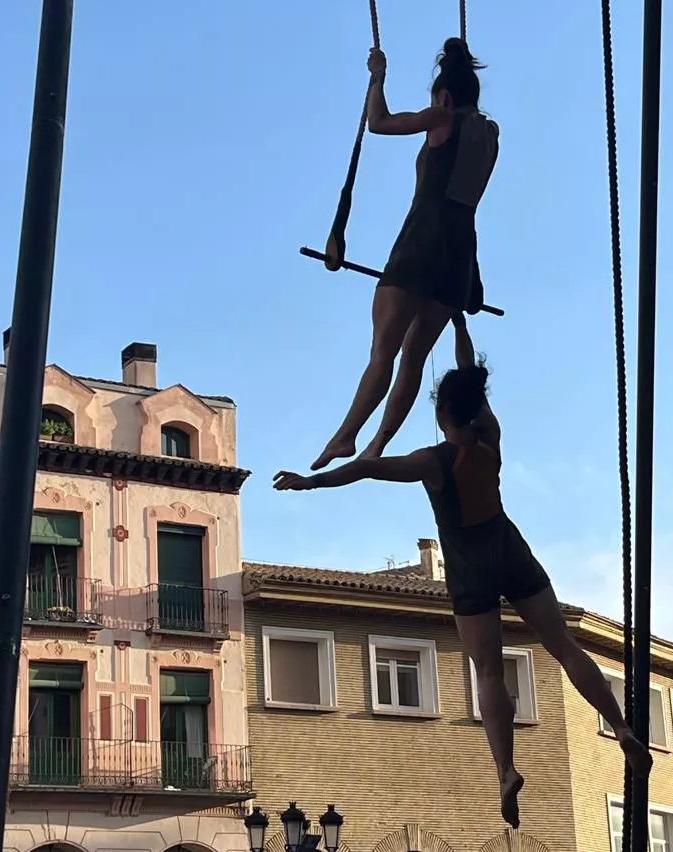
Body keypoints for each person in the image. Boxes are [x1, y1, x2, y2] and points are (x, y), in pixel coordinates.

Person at [276, 315, 653, 829]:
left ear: (440, 411)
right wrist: (454, 317)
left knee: (490, 673)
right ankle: (622, 727)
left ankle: (505, 770)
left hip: (470, 567)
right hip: (509, 545)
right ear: (475, 406)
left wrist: (310, 483)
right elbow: (468, 369)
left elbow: (366, 467)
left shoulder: (433, 460)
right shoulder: (490, 437)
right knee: (563, 644)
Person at [310, 36, 500, 471]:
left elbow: (378, 122)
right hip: (460, 256)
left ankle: (346, 436)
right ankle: (378, 442)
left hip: (421, 243)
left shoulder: (442, 116)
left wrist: (377, 76)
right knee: (413, 358)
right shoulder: (490, 134)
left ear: (445, 96)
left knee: (384, 351)